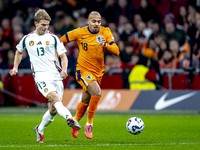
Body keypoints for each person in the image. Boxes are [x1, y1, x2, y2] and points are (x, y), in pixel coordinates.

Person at [9, 9, 81, 143]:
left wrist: (64, 70)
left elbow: (64, 56)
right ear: (35, 23)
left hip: (56, 75)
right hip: (40, 76)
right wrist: (15, 67)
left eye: (47, 24)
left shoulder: (53, 38)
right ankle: (70, 119)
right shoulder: (27, 39)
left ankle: (40, 129)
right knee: (54, 97)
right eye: (43, 24)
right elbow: (19, 52)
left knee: (53, 110)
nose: (45, 27)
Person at [60, 11, 119, 139]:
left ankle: (75, 122)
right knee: (97, 92)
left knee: (86, 100)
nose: (96, 24)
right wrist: (58, 56)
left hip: (98, 72)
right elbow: (60, 41)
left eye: (98, 21)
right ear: (88, 21)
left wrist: (106, 45)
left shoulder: (105, 32)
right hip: (83, 70)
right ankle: (89, 124)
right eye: (94, 21)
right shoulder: (79, 32)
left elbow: (116, 51)